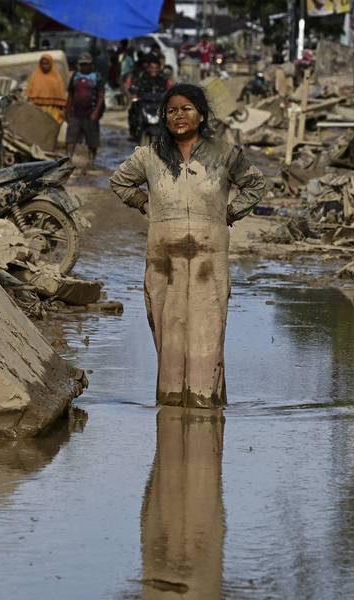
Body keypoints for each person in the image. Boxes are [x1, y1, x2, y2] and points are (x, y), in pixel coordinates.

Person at [110, 84, 266, 408]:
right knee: (169, 334)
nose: (179, 116)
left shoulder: (224, 154)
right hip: (163, 261)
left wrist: (230, 212)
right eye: (172, 111)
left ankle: (204, 406)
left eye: (186, 109)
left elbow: (256, 184)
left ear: (201, 114)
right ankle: (170, 411)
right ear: (164, 117)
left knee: (207, 333)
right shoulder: (150, 155)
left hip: (210, 262)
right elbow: (119, 181)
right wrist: (145, 204)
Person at [66, 52, 105, 167]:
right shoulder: (75, 76)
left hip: (90, 112)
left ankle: (91, 161)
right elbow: (70, 95)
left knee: (92, 140)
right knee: (71, 138)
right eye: (82, 64)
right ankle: (68, 159)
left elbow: (101, 95)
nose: (84, 66)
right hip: (75, 112)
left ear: (91, 64)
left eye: (86, 64)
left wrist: (96, 111)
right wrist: (67, 110)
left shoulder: (96, 77)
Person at [127, 57, 172, 140]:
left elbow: (170, 89)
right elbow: (135, 88)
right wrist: (134, 95)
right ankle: (134, 133)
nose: (153, 70)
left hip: (160, 106)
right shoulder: (142, 79)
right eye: (152, 68)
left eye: (156, 68)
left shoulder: (164, 79)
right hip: (145, 105)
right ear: (148, 68)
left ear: (159, 68)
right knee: (133, 111)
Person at [25, 53, 67, 124]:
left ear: (51, 63)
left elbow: (61, 97)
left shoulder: (56, 78)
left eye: (47, 63)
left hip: (53, 111)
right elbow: (29, 96)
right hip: (37, 110)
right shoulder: (35, 77)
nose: (45, 66)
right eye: (43, 63)